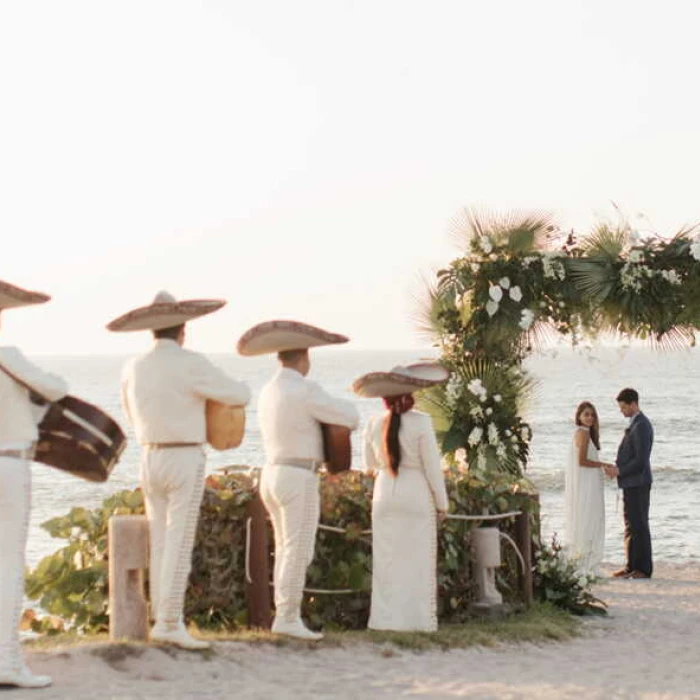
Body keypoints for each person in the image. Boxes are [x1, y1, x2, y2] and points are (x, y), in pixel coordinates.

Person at [108, 291, 250, 649]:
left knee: (159, 540)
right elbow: (237, 395)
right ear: (183, 328)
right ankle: (170, 622)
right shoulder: (190, 362)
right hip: (184, 456)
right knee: (179, 540)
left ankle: (162, 618)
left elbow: (128, 411)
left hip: (149, 455)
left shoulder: (133, 366)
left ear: (151, 331)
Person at [237, 320, 359, 641]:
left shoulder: (268, 390)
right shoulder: (304, 390)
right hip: (298, 476)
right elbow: (350, 417)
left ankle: (285, 614)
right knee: (297, 549)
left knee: (285, 547)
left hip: (272, 473)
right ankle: (288, 617)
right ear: (304, 358)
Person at [0, 280, 68, 689]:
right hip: (8, 464)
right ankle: (6, 662)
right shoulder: (7, 356)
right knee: (8, 564)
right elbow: (58, 389)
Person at [352, 363, 449, 632]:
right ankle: (416, 622)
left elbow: (368, 464)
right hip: (415, 491)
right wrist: (442, 503)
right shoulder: (422, 422)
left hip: (384, 492)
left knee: (387, 561)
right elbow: (432, 467)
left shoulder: (373, 423)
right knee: (417, 561)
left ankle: (384, 621)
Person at [604, 388, 654, 579]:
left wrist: (619, 470)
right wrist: (616, 468)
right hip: (630, 483)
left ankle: (643, 569)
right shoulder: (635, 424)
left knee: (640, 525)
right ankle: (631, 566)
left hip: (639, 483)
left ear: (633, 404)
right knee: (630, 525)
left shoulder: (641, 425)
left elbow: (641, 460)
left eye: (624, 407)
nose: (621, 411)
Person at [564, 401, 614, 576]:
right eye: (586, 414)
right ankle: (586, 563)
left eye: (592, 414)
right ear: (579, 416)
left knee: (590, 518)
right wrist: (603, 464)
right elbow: (582, 461)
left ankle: (587, 561)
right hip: (587, 484)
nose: (590, 418)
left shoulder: (585, 434)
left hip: (589, 482)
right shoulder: (582, 434)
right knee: (589, 518)